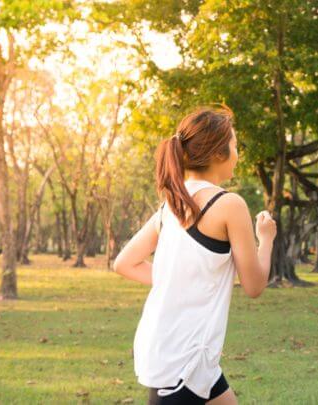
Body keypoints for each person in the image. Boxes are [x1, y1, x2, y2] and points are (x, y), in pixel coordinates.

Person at [113, 104, 277, 404]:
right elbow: (254, 286)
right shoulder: (229, 205)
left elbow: (124, 263)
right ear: (218, 153)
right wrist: (265, 239)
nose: (238, 154)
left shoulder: (171, 206)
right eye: (235, 146)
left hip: (180, 353)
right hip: (182, 362)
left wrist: (178, 280)